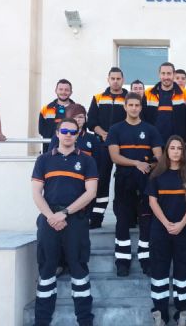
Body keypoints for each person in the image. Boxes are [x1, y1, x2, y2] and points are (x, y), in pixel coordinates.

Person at [31, 118, 97, 326]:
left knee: (78, 269)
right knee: (47, 269)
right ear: (57, 134)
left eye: (73, 131)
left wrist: (65, 213)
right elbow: (36, 192)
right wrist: (51, 216)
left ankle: (85, 320)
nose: (69, 134)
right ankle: (42, 321)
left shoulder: (87, 161)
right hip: (48, 220)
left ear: (78, 135)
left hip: (75, 220)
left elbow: (91, 192)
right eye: (65, 131)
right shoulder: (43, 160)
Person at [106, 93, 163, 277]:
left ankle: (146, 260)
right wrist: (136, 163)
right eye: (130, 104)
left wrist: (150, 164)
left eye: (137, 105)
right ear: (125, 106)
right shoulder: (115, 129)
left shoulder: (150, 129)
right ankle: (122, 262)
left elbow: (160, 157)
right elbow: (114, 156)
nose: (134, 108)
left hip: (146, 180)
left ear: (141, 107)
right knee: (122, 221)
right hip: (124, 180)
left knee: (146, 221)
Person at [147, 136, 186, 326]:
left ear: (183, 152)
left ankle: (182, 311)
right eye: (172, 148)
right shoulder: (156, 175)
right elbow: (152, 202)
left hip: (184, 230)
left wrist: (181, 223)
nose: (176, 151)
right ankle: (160, 312)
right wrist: (167, 223)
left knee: (182, 270)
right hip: (161, 230)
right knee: (159, 270)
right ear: (167, 151)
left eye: (179, 148)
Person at [86, 67, 129, 228]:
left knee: (123, 181)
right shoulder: (98, 98)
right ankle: (96, 219)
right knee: (101, 181)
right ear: (108, 79)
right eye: (113, 78)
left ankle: (125, 217)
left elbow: (133, 118)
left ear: (123, 80)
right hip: (103, 146)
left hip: (123, 146)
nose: (116, 81)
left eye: (118, 78)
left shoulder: (128, 97)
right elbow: (91, 122)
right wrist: (103, 133)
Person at [143, 62, 186, 143]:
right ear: (159, 75)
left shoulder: (185, 94)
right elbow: (143, 119)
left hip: (177, 145)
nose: (166, 77)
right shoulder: (148, 93)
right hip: (154, 143)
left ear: (174, 74)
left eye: (169, 73)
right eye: (163, 73)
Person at [38, 79, 75, 152]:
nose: (63, 92)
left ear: (71, 92)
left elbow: (82, 130)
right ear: (56, 91)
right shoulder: (46, 109)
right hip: (50, 150)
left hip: (72, 151)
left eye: (66, 90)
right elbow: (41, 130)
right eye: (60, 89)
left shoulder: (77, 109)